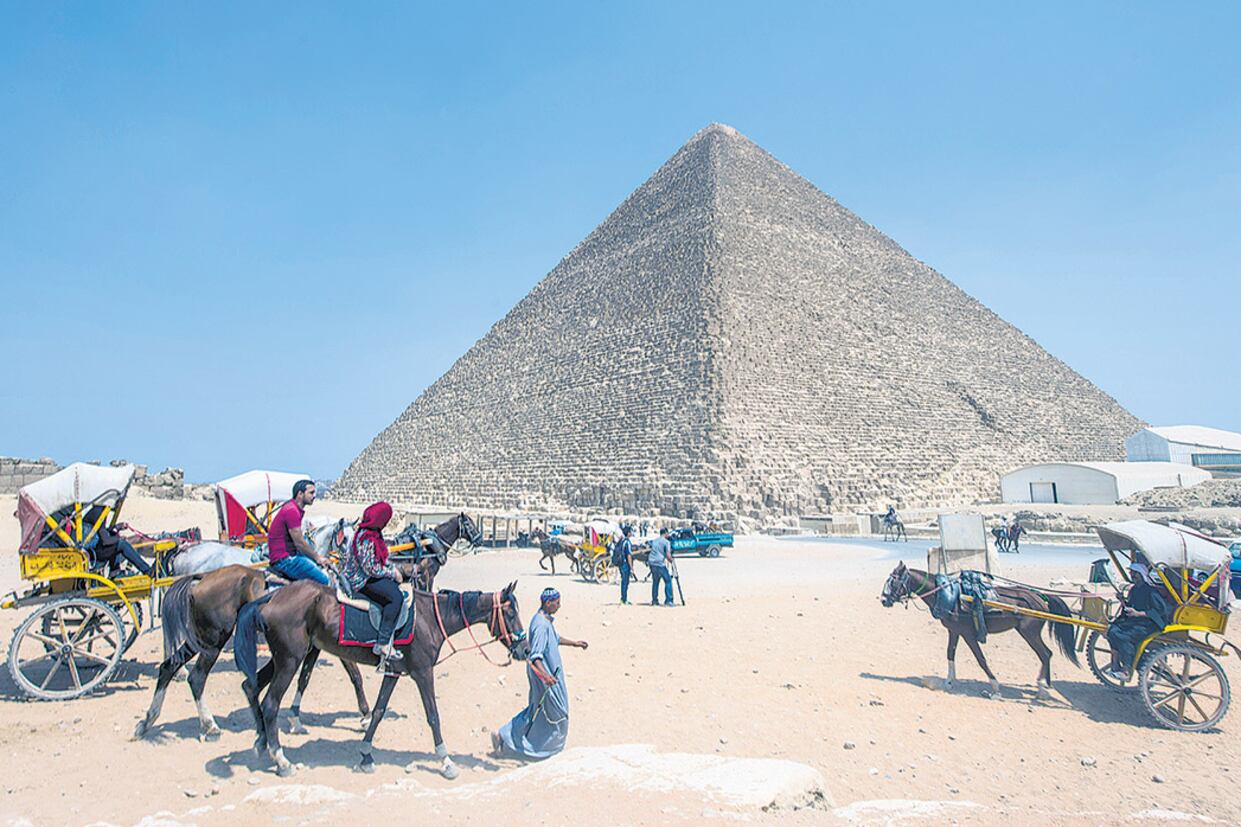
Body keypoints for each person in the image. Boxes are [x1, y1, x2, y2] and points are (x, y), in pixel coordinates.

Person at [492, 588, 587, 760]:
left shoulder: (542, 619)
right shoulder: (541, 625)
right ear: (548, 603)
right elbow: (536, 656)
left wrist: (574, 643)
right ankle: (546, 750)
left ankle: (503, 734)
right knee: (559, 711)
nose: (559, 606)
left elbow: (555, 638)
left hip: (548, 674)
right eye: (557, 603)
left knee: (536, 709)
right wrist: (546, 677)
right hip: (545, 675)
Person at [342, 501, 405, 671]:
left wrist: (392, 569)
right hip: (361, 580)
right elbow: (371, 568)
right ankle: (383, 643)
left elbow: (379, 561)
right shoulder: (366, 537)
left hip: (366, 574)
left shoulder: (372, 533)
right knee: (395, 598)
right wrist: (393, 573)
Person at [1103, 559, 1174, 681]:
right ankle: (1115, 665)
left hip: (1148, 624)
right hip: (1136, 621)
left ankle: (1126, 670)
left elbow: (1160, 611)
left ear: (1141, 575)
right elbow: (1131, 606)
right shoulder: (1135, 589)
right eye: (1131, 573)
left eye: (1135, 573)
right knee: (1112, 630)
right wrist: (1122, 601)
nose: (1132, 576)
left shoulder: (1151, 592)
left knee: (1123, 636)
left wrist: (1139, 614)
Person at [266, 479, 330, 585]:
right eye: (311, 493)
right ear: (300, 494)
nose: (314, 496)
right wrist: (317, 558)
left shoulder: (293, 508)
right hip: (285, 560)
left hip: (288, 555)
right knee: (325, 582)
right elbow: (299, 542)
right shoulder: (292, 511)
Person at [647, 527, 675, 606]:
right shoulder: (666, 542)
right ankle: (669, 600)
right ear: (666, 533)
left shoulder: (654, 541)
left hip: (652, 562)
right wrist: (671, 560)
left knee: (656, 581)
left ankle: (654, 600)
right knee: (668, 580)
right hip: (659, 563)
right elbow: (668, 554)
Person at [613, 526, 634, 605]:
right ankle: (624, 599)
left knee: (623, 581)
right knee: (625, 582)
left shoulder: (621, 540)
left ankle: (623, 598)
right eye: (631, 531)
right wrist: (631, 567)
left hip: (620, 563)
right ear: (628, 533)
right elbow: (629, 555)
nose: (632, 533)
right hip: (625, 563)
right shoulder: (627, 542)